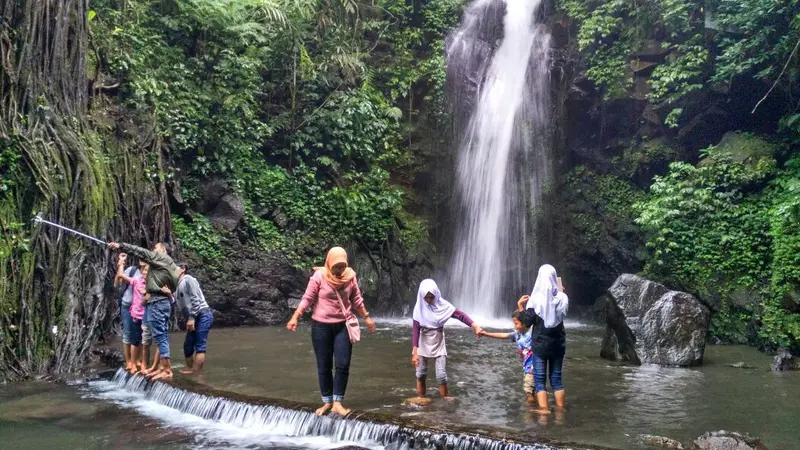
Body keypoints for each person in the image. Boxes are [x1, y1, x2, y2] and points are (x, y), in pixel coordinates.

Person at [286, 247, 377, 417]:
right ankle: (327, 401)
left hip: (343, 326)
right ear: (329, 263)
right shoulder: (319, 276)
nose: (339, 270)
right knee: (324, 366)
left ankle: (338, 403)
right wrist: (295, 317)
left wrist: (367, 317)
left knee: (342, 364)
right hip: (321, 327)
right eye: (336, 267)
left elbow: (356, 299)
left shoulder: (350, 277)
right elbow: (308, 298)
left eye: (342, 266)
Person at [108, 241, 180, 380]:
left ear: (163, 249)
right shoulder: (171, 265)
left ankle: (166, 369)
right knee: (160, 335)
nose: (153, 250)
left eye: (156, 248)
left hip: (157, 302)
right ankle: (161, 367)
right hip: (160, 302)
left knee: (159, 336)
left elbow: (140, 252)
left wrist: (120, 246)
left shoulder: (161, 258)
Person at [411, 279, 483, 401]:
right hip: (422, 340)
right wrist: (415, 351)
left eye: (431, 297)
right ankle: (421, 397)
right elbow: (415, 330)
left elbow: (460, 315)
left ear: (436, 295)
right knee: (421, 373)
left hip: (438, 340)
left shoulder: (443, 305)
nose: (429, 300)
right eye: (426, 298)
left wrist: (474, 325)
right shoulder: (419, 308)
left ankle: (445, 397)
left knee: (441, 374)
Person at [518, 264, 569, 414]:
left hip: (540, 345)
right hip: (558, 344)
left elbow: (527, 323)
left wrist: (520, 307)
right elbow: (561, 312)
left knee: (540, 379)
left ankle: (544, 410)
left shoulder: (535, 300)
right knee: (556, 379)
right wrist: (560, 293)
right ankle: (560, 410)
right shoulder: (563, 298)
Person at [478, 310, 536, 404]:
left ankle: (531, 411)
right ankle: (536, 409)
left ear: (525, 323)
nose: (514, 326)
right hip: (527, 368)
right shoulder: (517, 335)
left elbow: (531, 318)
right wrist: (486, 334)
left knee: (528, 391)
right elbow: (503, 335)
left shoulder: (531, 334)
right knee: (533, 390)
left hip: (533, 368)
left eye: (516, 323)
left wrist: (520, 306)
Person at [172, 262, 214, 375]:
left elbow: (195, 300)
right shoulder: (176, 286)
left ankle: (196, 373)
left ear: (183, 269)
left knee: (200, 344)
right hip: (193, 317)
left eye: (173, 268)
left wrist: (191, 318)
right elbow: (176, 303)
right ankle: (192, 370)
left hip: (203, 314)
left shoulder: (188, 279)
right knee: (188, 346)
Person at [113, 253, 147, 372]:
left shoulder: (150, 273)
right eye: (141, 258)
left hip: (142, 308)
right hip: (128, 306)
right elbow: (118, 280)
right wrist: (121, 263)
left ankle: (138, 360)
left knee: (142, 335)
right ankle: (129, 361)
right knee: (128, 333)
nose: (143, 261)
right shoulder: (132, 271)